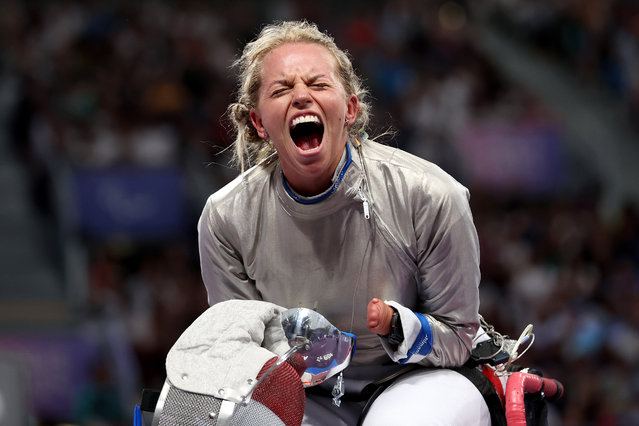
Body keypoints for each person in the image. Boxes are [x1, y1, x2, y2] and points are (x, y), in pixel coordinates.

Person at [198, 20, 490, 425]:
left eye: (317, 85)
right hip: (301, 394)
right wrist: (302, 353)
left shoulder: (432, 195)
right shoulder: (226, 217)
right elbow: (238, 348)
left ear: (350, 109)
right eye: (281, 90)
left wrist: (397, 326)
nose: (301, 96)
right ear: (259, 123)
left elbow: (458, 337)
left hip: (418, 380)